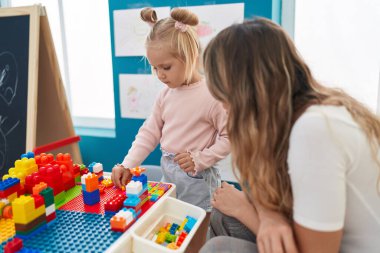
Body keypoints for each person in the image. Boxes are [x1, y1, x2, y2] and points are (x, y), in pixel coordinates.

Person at [200, 17, 380, 253]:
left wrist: (246, 209)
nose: (224, 107)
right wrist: (269, 215)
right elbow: (264, 181)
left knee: (218, 245)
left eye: (225, 97)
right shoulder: (307, 113)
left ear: (247, 92)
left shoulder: (315, 130)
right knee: (223, 215)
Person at [111, 7, 230, 252]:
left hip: (198, 177)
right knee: (173, 230)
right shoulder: (166, 95)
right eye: (155, 68)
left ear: (191, 55)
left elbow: (230, 137)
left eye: (166, 67)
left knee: (196, 235)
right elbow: (149, 132)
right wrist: (126, 164)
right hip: (170, 171)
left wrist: (200, 159)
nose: (160, 75)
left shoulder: (212, 95)